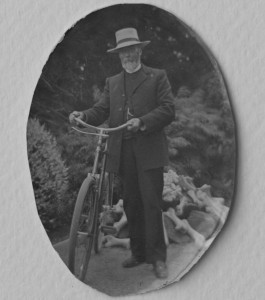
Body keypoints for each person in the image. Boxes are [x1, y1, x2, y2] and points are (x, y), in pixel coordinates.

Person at [69, 27, 175, 279]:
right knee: (131, 203)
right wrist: (82, 116)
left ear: (139, 49)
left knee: (151, 203)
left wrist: (143, 121)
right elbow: (100, 110)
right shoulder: (113, 82)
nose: (128, 55)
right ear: (118, 55)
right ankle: (138, 253)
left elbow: (169, 109)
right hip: (123, 151)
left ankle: (158, 258)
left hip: (149, 151)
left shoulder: (157, 76)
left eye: (131, 49)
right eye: (123, 52)